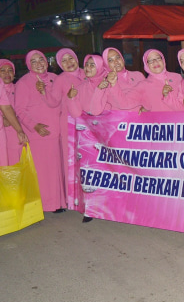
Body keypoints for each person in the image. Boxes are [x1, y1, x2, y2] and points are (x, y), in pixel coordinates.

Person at [14, 50, 66, 212]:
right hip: (39, 134)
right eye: (34, 61)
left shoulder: (55, 78)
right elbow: (20, 110)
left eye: (41, 60)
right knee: (44, 171)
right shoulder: (24, 82)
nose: (39, 64)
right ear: (29, 64)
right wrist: (34, 126)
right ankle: (47, 204)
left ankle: (59, 202)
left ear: (47, 62)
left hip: (58, 131)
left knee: (57, 168)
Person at [50, 48, 85, 198]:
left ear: (76, 58)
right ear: (59, 64)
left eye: (70, 58)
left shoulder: (86, 72)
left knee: (89, 159)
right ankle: (74, 197)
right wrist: (68, 97)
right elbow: (53, 102)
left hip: (90, 124)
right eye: (63, 60)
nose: (68, 63)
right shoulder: (61, 79)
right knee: (72, 161)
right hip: (69, 126)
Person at [90, 48, 145, 114]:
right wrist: (99, 89)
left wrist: (146, 107)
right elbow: (95, 111)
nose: (116, 62)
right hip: (120, 122)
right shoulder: (106, 83)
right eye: (110, 60)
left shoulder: (138, 75)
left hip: (141, 122)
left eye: (117, 57)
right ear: (106, 64)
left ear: (122, 58)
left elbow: (149, 97)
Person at [1, 59, 26, 165]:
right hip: (3, 136)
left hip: (18, 136)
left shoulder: (20, 89)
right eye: (2, 70)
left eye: (10, 70)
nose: (7, 73)